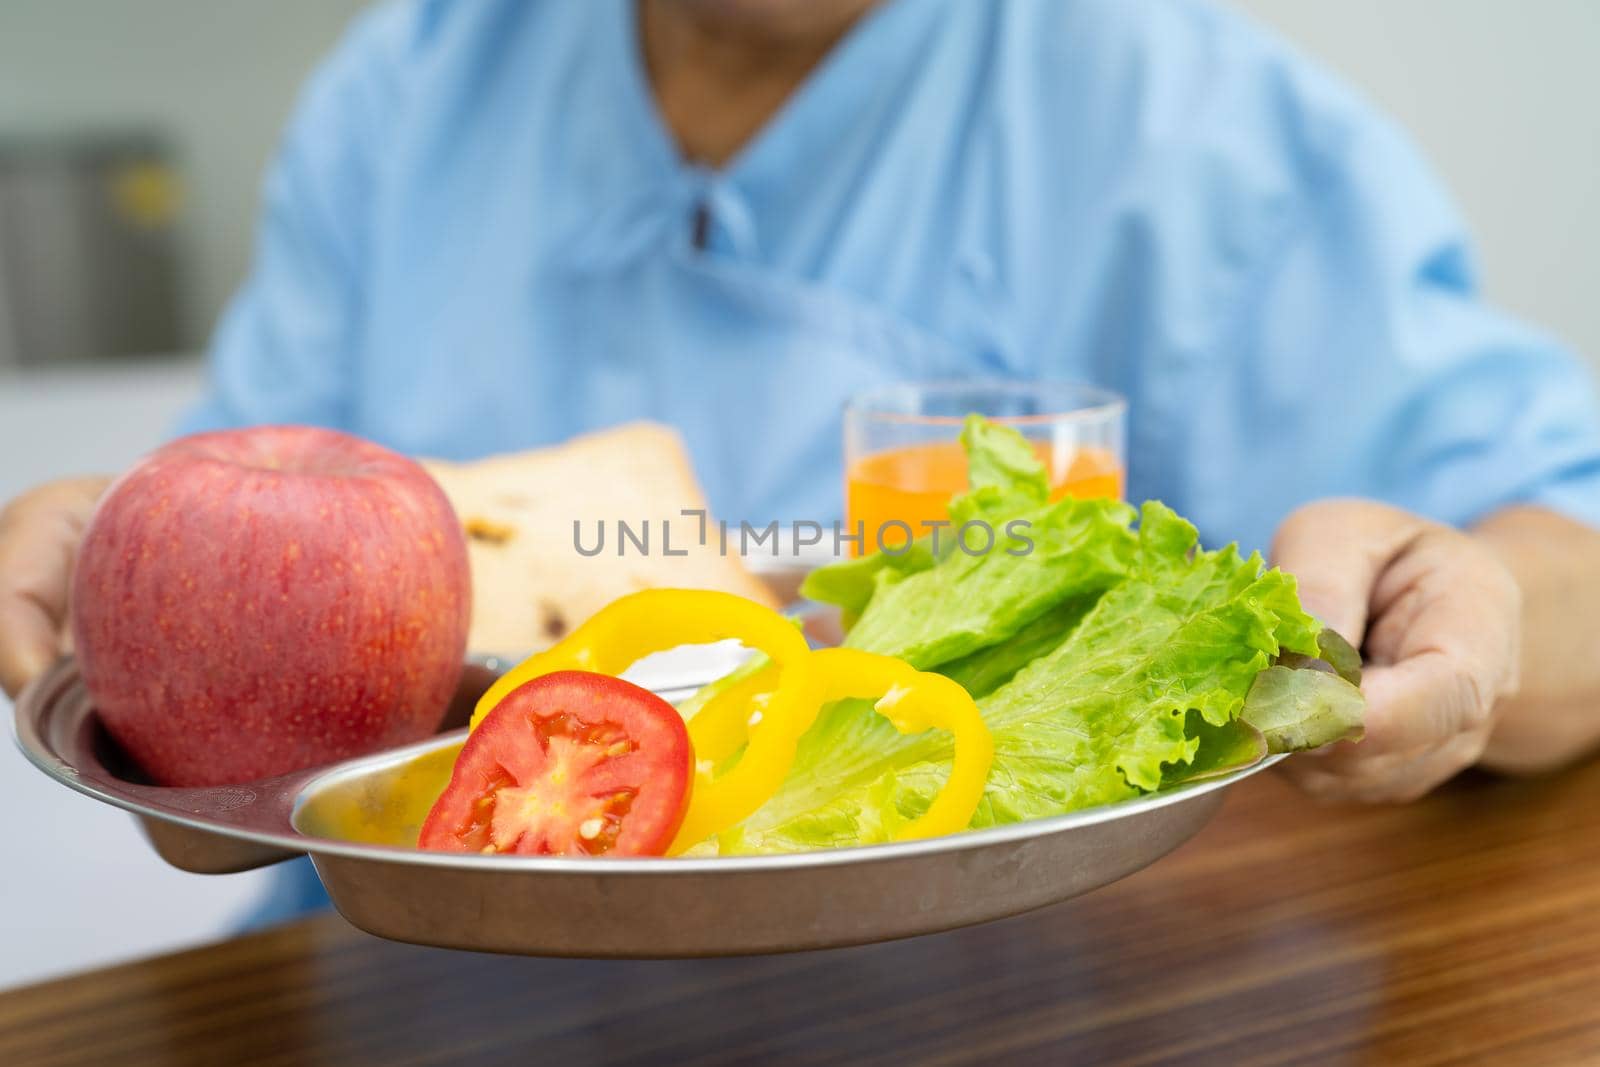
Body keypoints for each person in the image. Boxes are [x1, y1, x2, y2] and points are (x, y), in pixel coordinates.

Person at [4, 0, 1600, 818]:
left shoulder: (1179, 119)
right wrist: (129, 605)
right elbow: (220, 811)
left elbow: (1570, 552)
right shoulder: (413, 88)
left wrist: (1469, 612)